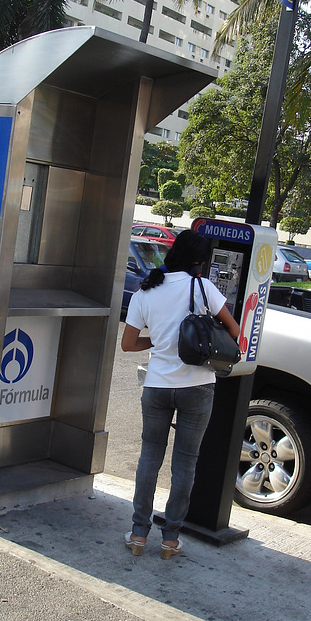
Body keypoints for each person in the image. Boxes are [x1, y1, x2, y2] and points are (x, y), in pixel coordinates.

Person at [121, 229, 240, 559]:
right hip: (198, 386)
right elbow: (234, 330)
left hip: (157, 386)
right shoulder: (204, 288)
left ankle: (137, 533)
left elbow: (128, 344)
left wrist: (158, 343)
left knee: (149, 458)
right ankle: (170, 538)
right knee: (185, 463)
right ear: (200, 261)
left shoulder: (146, 290)